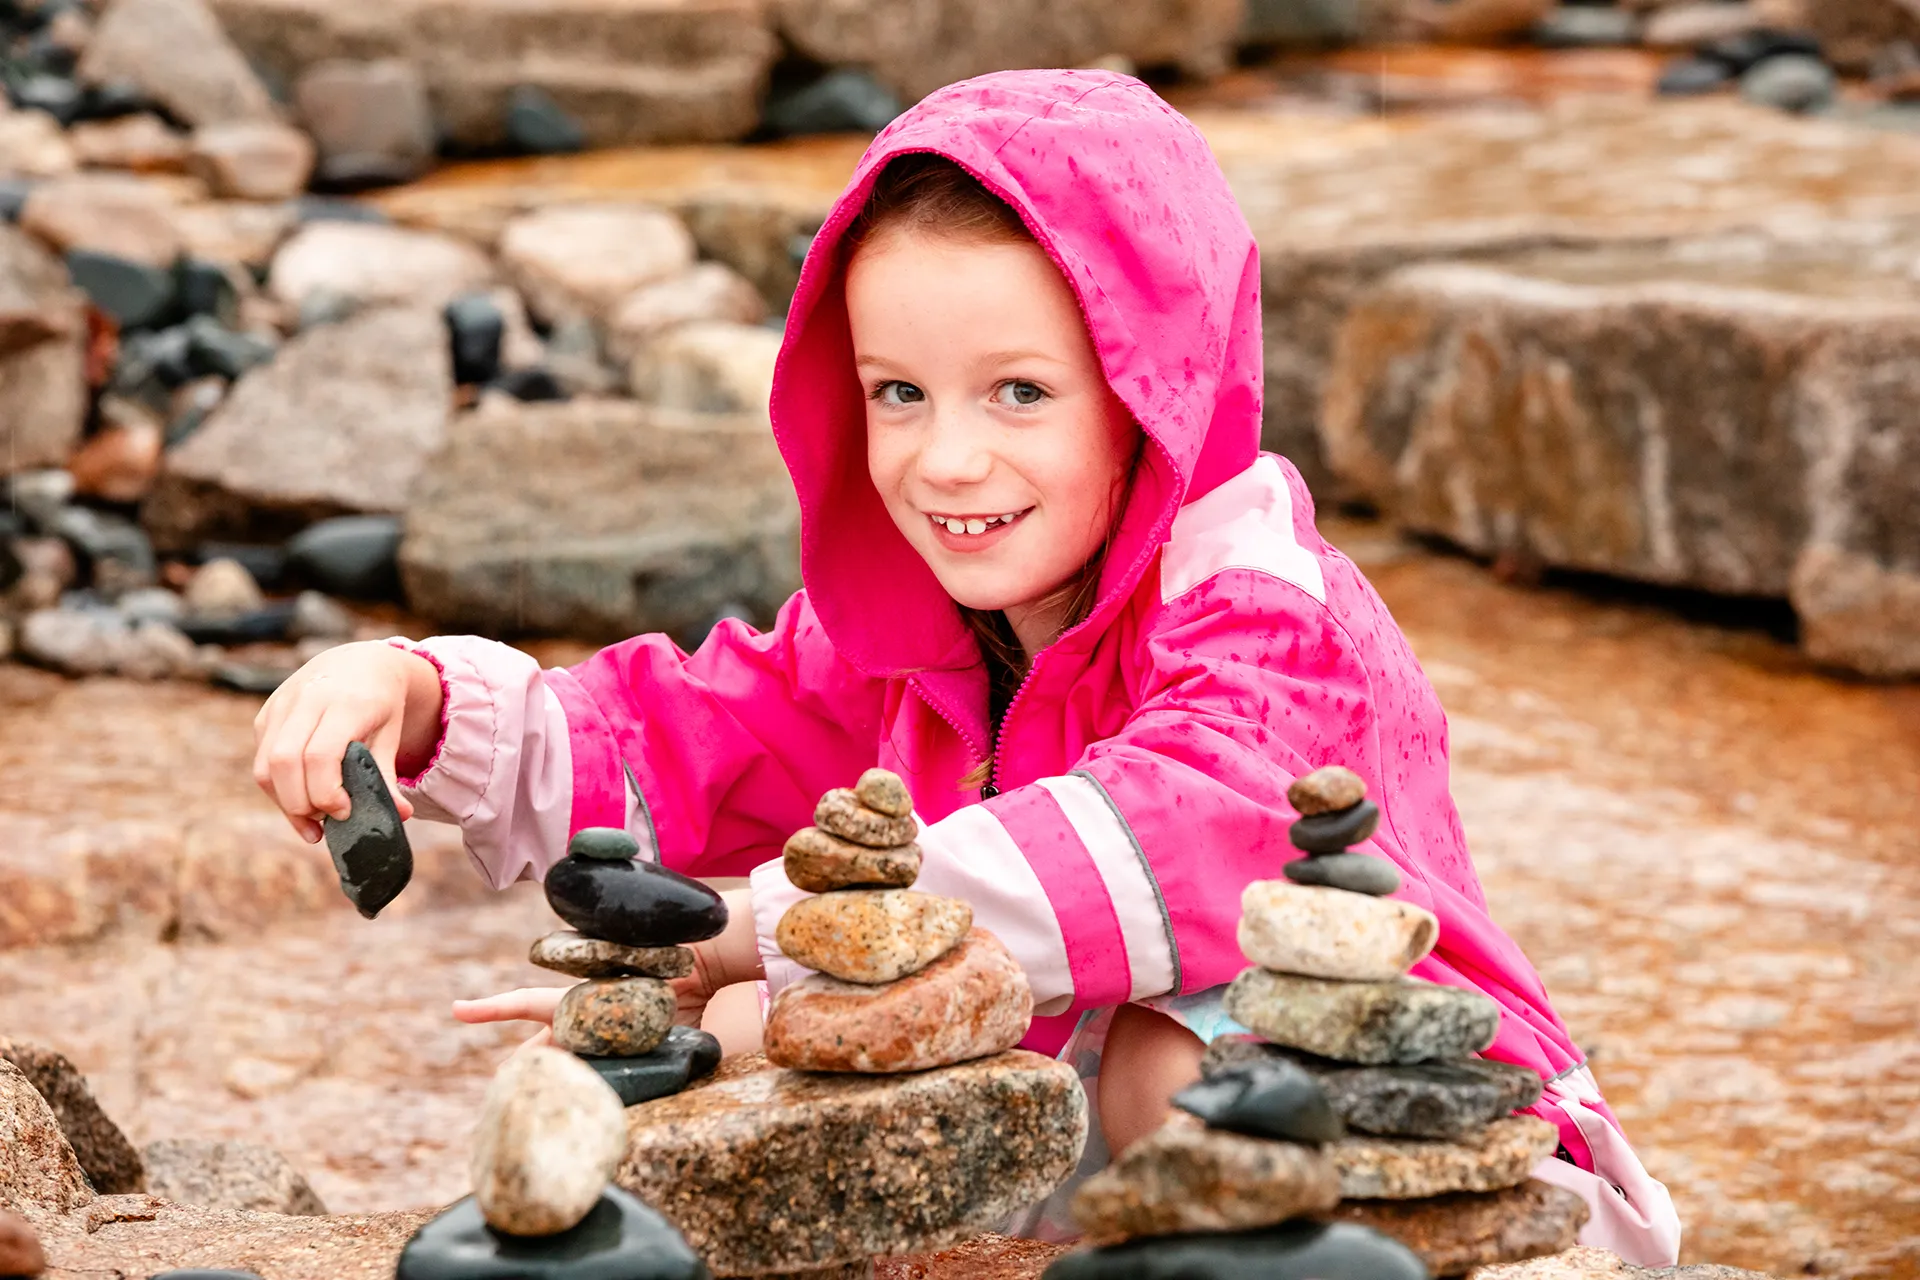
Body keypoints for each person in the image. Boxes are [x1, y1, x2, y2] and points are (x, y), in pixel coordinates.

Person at [252, 69, 1679, 1261]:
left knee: (1160, 1062)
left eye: (1020, 391)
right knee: (777, 1068)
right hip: (1095, 1167)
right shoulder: (916, 630)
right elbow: (692, 729)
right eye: (897, 394)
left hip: (1458, 1174)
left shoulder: (1266, 609)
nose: (945, 459)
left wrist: (756, 941)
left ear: (1150, 392)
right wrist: (422, 694)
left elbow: (1179, 826)